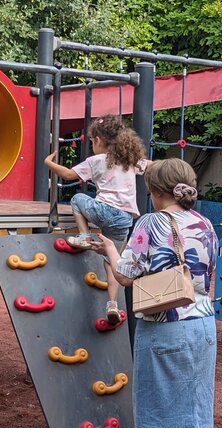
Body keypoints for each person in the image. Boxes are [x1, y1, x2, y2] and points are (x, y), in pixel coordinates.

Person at [90, 157, 219, 428]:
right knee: (193, 402)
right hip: (204, 324)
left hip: (165, 324)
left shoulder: (152, 222)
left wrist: (110, 250)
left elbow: (126, 275)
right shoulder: (206, 224)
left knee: (155, 403)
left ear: (155, 191)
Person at [44, 114, 149, 324]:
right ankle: (112, 304)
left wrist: (48, 162)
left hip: (103, 212)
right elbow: (152, 166)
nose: (92, 144)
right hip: (124, 220)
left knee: (78, 198)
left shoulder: (96, 160)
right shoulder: (130, 160)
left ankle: (84, 235)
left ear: (99, 140)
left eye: (92, 141)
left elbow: (67, 175)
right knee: (112, 263)